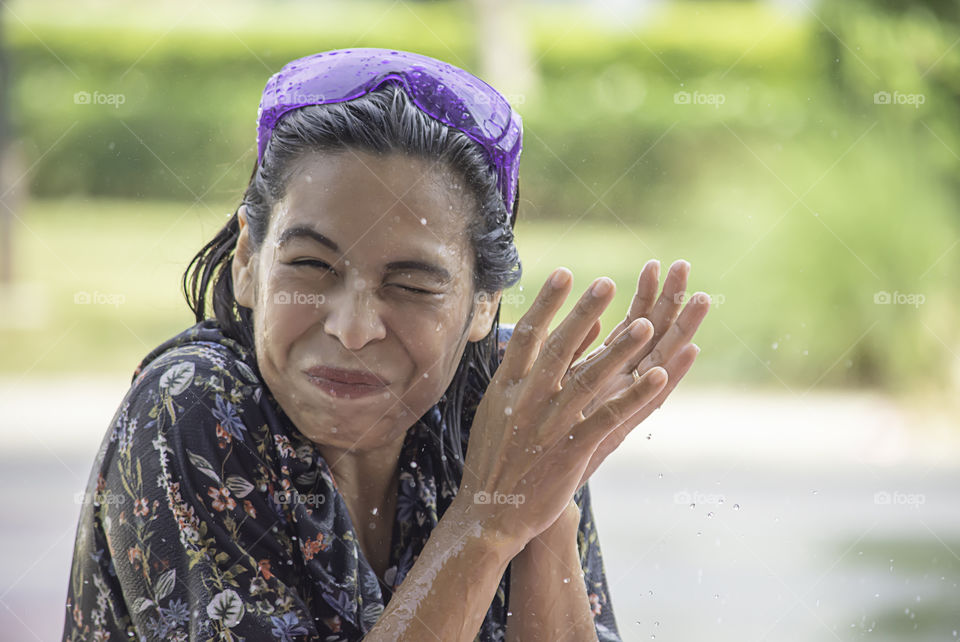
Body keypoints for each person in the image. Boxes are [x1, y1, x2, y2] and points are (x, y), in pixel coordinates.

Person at [62, 48, 710, 642]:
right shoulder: (193, 406)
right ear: (246, 260)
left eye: (410, 284)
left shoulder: (507, 402)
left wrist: (544, 502)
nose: (352, 327)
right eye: (312, 267)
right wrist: (485, 524)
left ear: (483, 302)